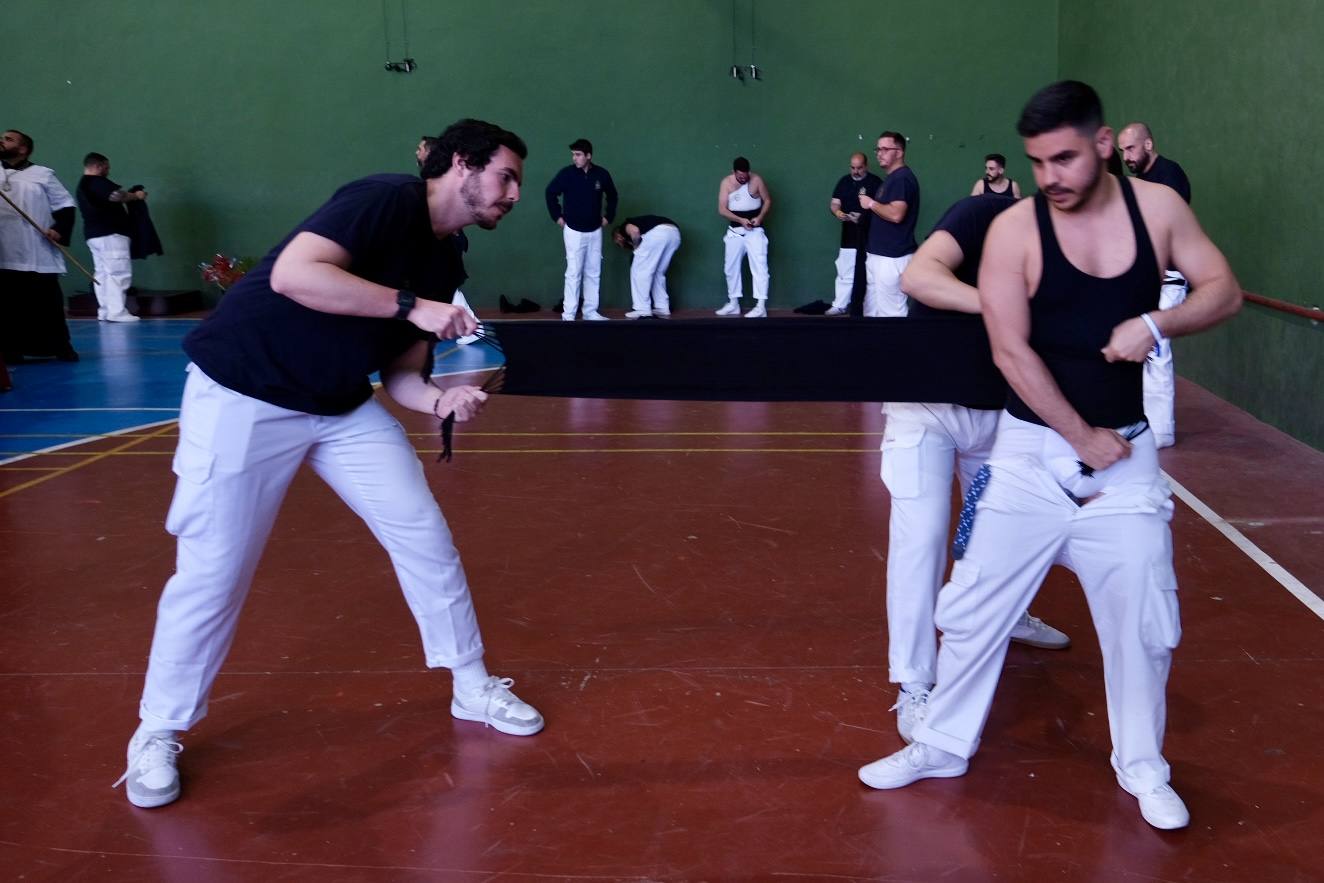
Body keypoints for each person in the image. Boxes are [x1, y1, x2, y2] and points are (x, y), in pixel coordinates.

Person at [114, 119, 545, 811]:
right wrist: (414, 306)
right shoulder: (384, 200)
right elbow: (295, 274)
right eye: (507, 176)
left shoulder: (446, 259)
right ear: (462, 165)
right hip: (245, 391)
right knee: (214, 568)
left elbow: (403, 375)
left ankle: (471, 684)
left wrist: (442, 396)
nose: (515, 193)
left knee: (425, 536)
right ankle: (157, 729)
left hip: (340, 407)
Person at [858, 81, 1241, 832]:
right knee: (969, 612)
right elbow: (1009, 349)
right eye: (1037, 162)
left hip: (1124, 463)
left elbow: (1224, 289)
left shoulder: (1158, 211)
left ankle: (1142, 765)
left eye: (1064, 158)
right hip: (1033, 452)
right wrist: (1078, 436)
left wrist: (1157, 326)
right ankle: (939, 742)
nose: (1051, 177)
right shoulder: (1013, 231)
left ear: (1104, 146)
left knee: (1144, 621)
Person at [882, 193, 1070, 743]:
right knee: (923, 539)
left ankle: (1011, 614)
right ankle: (915, 682)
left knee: (993, 538)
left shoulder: (1081, 251)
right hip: (926, 410)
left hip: (1002, 420)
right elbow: (918, 277)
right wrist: (997, 302)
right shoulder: (982, 214)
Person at [1119, 122, 1192, 449]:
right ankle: (1141, 420)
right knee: (1139, 350)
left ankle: (1162, 431)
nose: (1126, 156)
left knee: (1157, 351)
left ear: (1148, 144)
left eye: (1131, 149)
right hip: (1143, 279)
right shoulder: (1137, 182)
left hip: (1169, 280)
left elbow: (1165, 229)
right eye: (1122, 151)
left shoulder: (1170, 176)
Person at [0, 129, 79, 363]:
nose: (2, 142)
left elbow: (66, 205)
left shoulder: (42, 174)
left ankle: (58, 347)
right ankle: (11, 351)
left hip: (36, 251)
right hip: (4, 251)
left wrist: (59, 229)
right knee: (8, 308)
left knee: (46, 305)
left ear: (23, 149)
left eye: (8, 139)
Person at [544, 138, 617, 321]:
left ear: (588, 156)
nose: (574, 158)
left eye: (578, 155)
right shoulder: (566, 174)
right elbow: (550, 192)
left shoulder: (601, 175)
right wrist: (557, 217)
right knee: (574, 272)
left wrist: (608, 217)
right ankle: (568, 314)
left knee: (593, 272)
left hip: (595, 231)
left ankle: (590, 311)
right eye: (573, 155)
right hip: (573, 231)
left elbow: (613, 195)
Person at [76, 152, 144, 323]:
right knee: (118, 272)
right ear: (99, 166)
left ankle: (105, 310)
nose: (108, 170)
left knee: (103, 274)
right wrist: (136, 196)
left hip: (94, 235)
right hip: (111, 233)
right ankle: (117, 311)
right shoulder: (97, 182)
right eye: (107, 167)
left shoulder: (83, 185)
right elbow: (116, 196)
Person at [858, 132, 919, 317]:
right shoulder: (892, 179)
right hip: (878, 255)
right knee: (872, 310)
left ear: (899, 152)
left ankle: (898, 346)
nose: (879, 153)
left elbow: (896, 214)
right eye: (878, 149)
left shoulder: (902, 178)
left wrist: (870, 203)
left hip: (891, 258)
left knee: (891, 313)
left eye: (885, 149)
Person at [715, 157, 772, 318]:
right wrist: (740, 220)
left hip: (755, 231)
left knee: (760, 267)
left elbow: (767, 200)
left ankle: (760, 306)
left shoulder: (757, 180)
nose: (743, 179)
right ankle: (733, 304)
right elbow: (721, 209)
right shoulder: (726, 183)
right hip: (735, 231)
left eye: (745, 176)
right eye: (740, 176)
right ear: (733, 172)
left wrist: (760, 217)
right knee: (730, 267)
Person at [826, 153, 882, 316]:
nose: (855, 171)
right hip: (849, 233)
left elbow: (882, 207)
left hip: (870, 233)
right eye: (853, 167)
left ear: (866, 166)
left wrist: (864, 217)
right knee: (845, 269)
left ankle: (868, 308)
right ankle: (840, 304)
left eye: (859, 168)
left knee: (870, 270)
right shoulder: (844, 181)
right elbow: (835, 203)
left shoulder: (875, 182)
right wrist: (838, 213)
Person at [613, 215, 681, 319]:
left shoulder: (624, 228)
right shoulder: (640, 224)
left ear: (618, 236)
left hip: (659, 233)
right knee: (658, 272)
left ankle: (642, 309)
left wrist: (636, 249)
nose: (619, 243)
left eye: (617, 241)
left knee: (638, 270)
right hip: (674, 234)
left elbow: (635, 231)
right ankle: (662, 307)